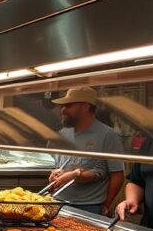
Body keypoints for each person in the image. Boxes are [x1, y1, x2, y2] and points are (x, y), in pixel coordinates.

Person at [48, 87, 125, 215]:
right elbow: (54, 163)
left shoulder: (108, 135)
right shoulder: (61, 134)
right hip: (58, 201)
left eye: (68, 105)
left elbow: (117, 175)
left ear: (85, 106)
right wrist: (54, 172)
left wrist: (106, 204)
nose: (63, 110)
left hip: (90, 206)